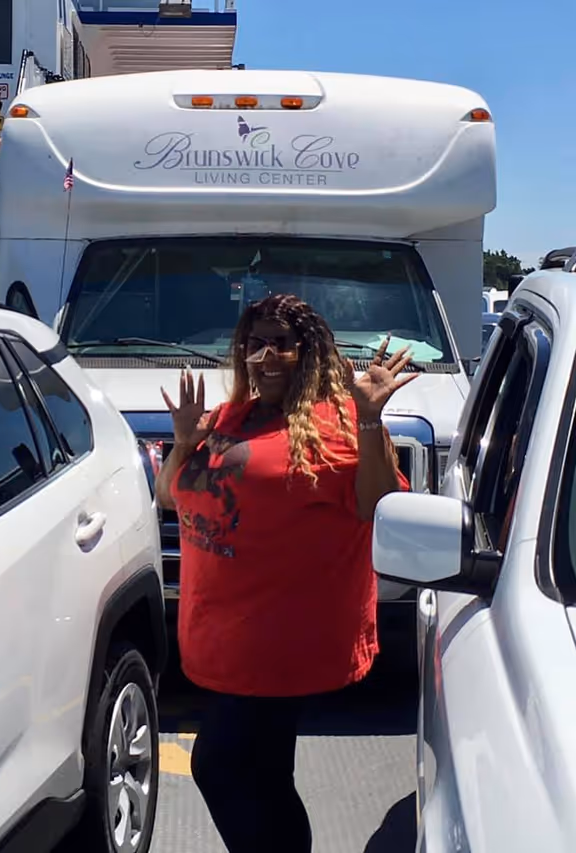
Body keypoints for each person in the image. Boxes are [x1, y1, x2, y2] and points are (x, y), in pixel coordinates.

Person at [156, 294, 417, 853]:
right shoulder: (232, 415)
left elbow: (376, 504)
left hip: (279, 640)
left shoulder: (336, 421)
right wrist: (183, 445)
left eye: (281, 342)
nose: (265, 355)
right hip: (226, 634)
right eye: (254, 343)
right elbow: (167, 494)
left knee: (218, 765)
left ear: (308, 351)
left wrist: (370, 417)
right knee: (267, 777)